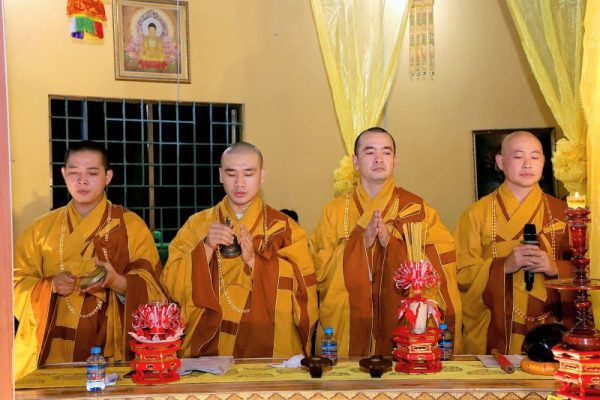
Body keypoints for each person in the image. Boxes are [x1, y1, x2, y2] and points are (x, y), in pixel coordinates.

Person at [14, 140, 168, 380]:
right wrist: (50, 286)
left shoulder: (131, 227)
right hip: (51, 347)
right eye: (73, 172)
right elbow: (14, 285)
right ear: (63, 174)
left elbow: (155, 289)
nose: (81, 180)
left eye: (92, 173)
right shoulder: (39, 231)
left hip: (112, 345)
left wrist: (117, 281)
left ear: (108, 176)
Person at [311, 127, 462, 357]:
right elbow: (320, 270)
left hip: (402, 319)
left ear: (395, 160)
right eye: (370, 152)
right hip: (348, 321)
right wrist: (360, 244)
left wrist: (392, 245)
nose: (379, 158)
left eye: (386, 152)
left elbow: (442, 265)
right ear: (356, 162)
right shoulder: (333, 212)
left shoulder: (418, 210)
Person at [161, 142, 318, 358]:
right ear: (220, 175)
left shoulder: (285, 228)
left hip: (269, 340)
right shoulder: (196, 225)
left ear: (262, 176)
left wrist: (257, 263)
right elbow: (170, 284)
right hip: (209, 345)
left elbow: (305, 287)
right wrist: (205, 248)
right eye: (231, 173)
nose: (240, 183)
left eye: (249, 173)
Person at [455, 131, 573, 355]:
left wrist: (555, 268)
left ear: (544, 162)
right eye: (518, 156)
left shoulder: (563, 213)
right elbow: (460, 273)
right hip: (494, 330)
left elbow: (586, 269)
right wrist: (503, 266)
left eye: (535, 157)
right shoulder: (476, 214)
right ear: (500, 162)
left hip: (550, 332)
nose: (528, 164)